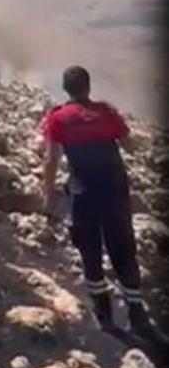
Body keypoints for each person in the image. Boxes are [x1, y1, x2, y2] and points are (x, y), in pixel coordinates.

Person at [40, 65, 155, 340]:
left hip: (85, 191)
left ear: (66, 88)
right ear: (88, 86)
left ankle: (104, 316)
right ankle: (137, 313)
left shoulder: (58, 118)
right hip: (115, 188)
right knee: (123, 248)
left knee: (89, 247)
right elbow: (130, 146)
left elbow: (51, 159)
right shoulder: (107, 112)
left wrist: (47, 195)